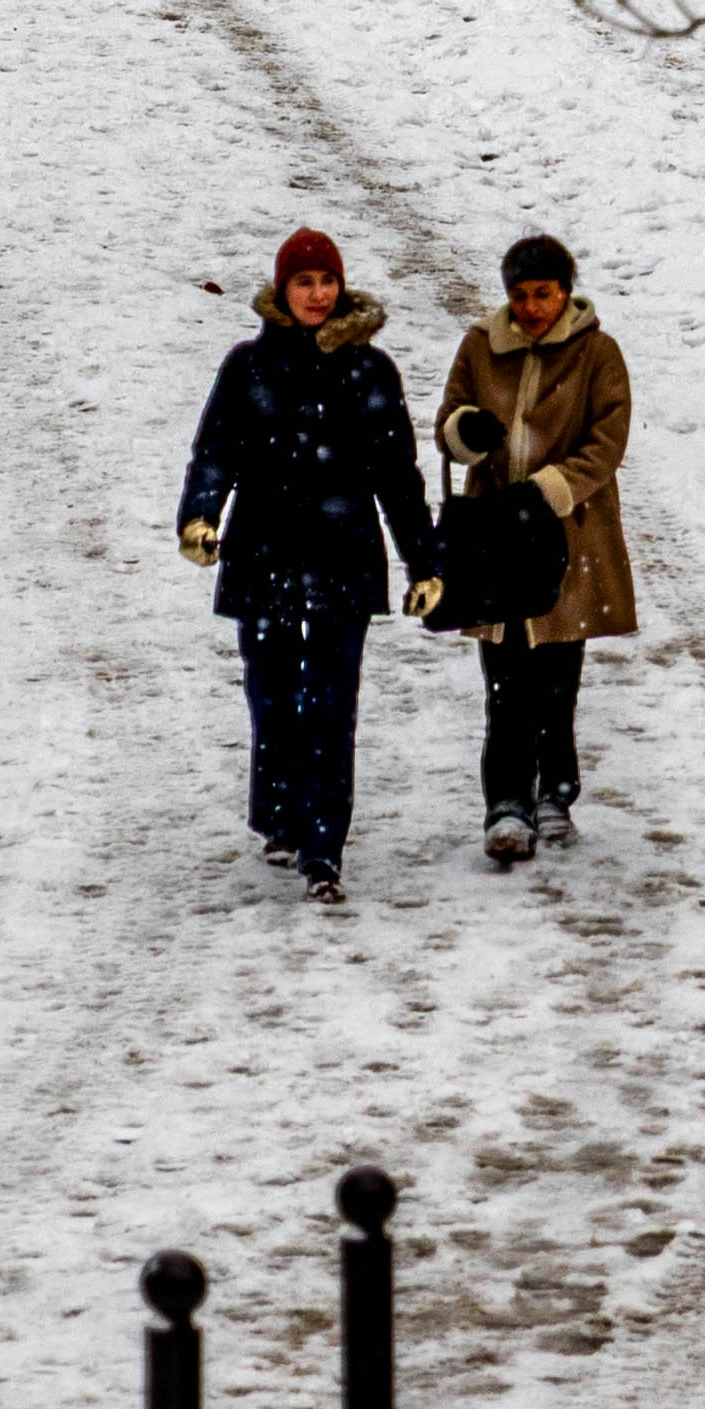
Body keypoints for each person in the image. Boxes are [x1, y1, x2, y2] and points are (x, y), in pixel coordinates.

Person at [177, 225, 437, 906]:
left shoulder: (371, 372)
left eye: (326, 282)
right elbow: (214, 452)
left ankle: (323, 848)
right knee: (272, 698)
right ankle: (281, 816)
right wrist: (199, 516)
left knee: (329, 705)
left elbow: (398, 478)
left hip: (343, 561)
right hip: (262, 555)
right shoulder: (248, 366)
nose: (317, 295)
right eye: (304, 282)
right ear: (282, 290)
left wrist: (423, 561)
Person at [437, 230, 634, 864]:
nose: (531, 307)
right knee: (504, 677)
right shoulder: (479, 347)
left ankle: (557, 794)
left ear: (565, 293)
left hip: (565, 533)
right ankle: (506, 805)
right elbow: (450, 420)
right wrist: (466, 433)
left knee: (556, 674)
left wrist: (550, 489)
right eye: (520, 295)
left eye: (543, 294)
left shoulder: (598, 354)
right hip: (494, 533)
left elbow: (607, 442)